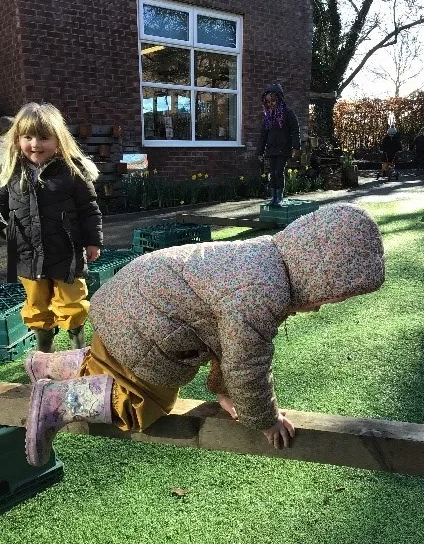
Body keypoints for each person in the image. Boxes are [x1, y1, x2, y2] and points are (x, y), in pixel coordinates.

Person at [23, 203, 385, 467]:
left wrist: (225, 393)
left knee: (110, 364)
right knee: (143, 404)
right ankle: (55, 401)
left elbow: (223, 339)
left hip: (131, 305)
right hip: (142, 323)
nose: (324, 305)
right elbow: (247, 366)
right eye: (332, 295)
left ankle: (49, 365)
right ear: (318, 275)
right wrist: (266, 418)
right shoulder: (263, 291)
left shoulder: (265, 258)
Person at [0, 102, 103, 352]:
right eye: (28, 137)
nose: (35, 144)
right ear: (17, 139)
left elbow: (89, 209)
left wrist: (93, 241)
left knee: (72, 301)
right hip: (25, 254)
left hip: (66, 252)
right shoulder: (11, 172)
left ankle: (77, 347)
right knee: (36, 304)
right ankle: (44, 349)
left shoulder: (72, 171)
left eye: (44, 138)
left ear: (58, 140)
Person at [257, 83, 301, 206]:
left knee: (278, 172)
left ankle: (280, 197)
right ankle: (274, 197)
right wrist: (260, 152)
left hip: (283, 149)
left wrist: (295, 147)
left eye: (273, 101)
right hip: (271, 150)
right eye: (268, 102)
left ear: (279, 99)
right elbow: (263, 135)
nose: (271, 104)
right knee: (272, 174)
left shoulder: (288, 113)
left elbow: (295, 130)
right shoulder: (268, 117)